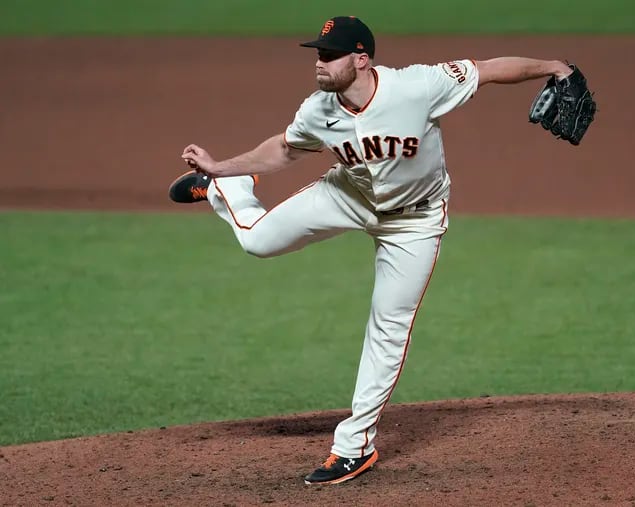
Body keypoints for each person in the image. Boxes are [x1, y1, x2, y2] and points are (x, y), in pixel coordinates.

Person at [169, 16, 573, 485]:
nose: (319, 63)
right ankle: (228, 188)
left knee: (388, 328)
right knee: (257, 241)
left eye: (329, 54)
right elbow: (282, 150)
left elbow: (486, 69)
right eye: (318, 54)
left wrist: (554, 67)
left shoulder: (418, 86)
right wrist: (221, 166)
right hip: (347, 196)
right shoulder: (318, 109)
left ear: (361, 58)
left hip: (415, 221)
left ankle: (354, 446)